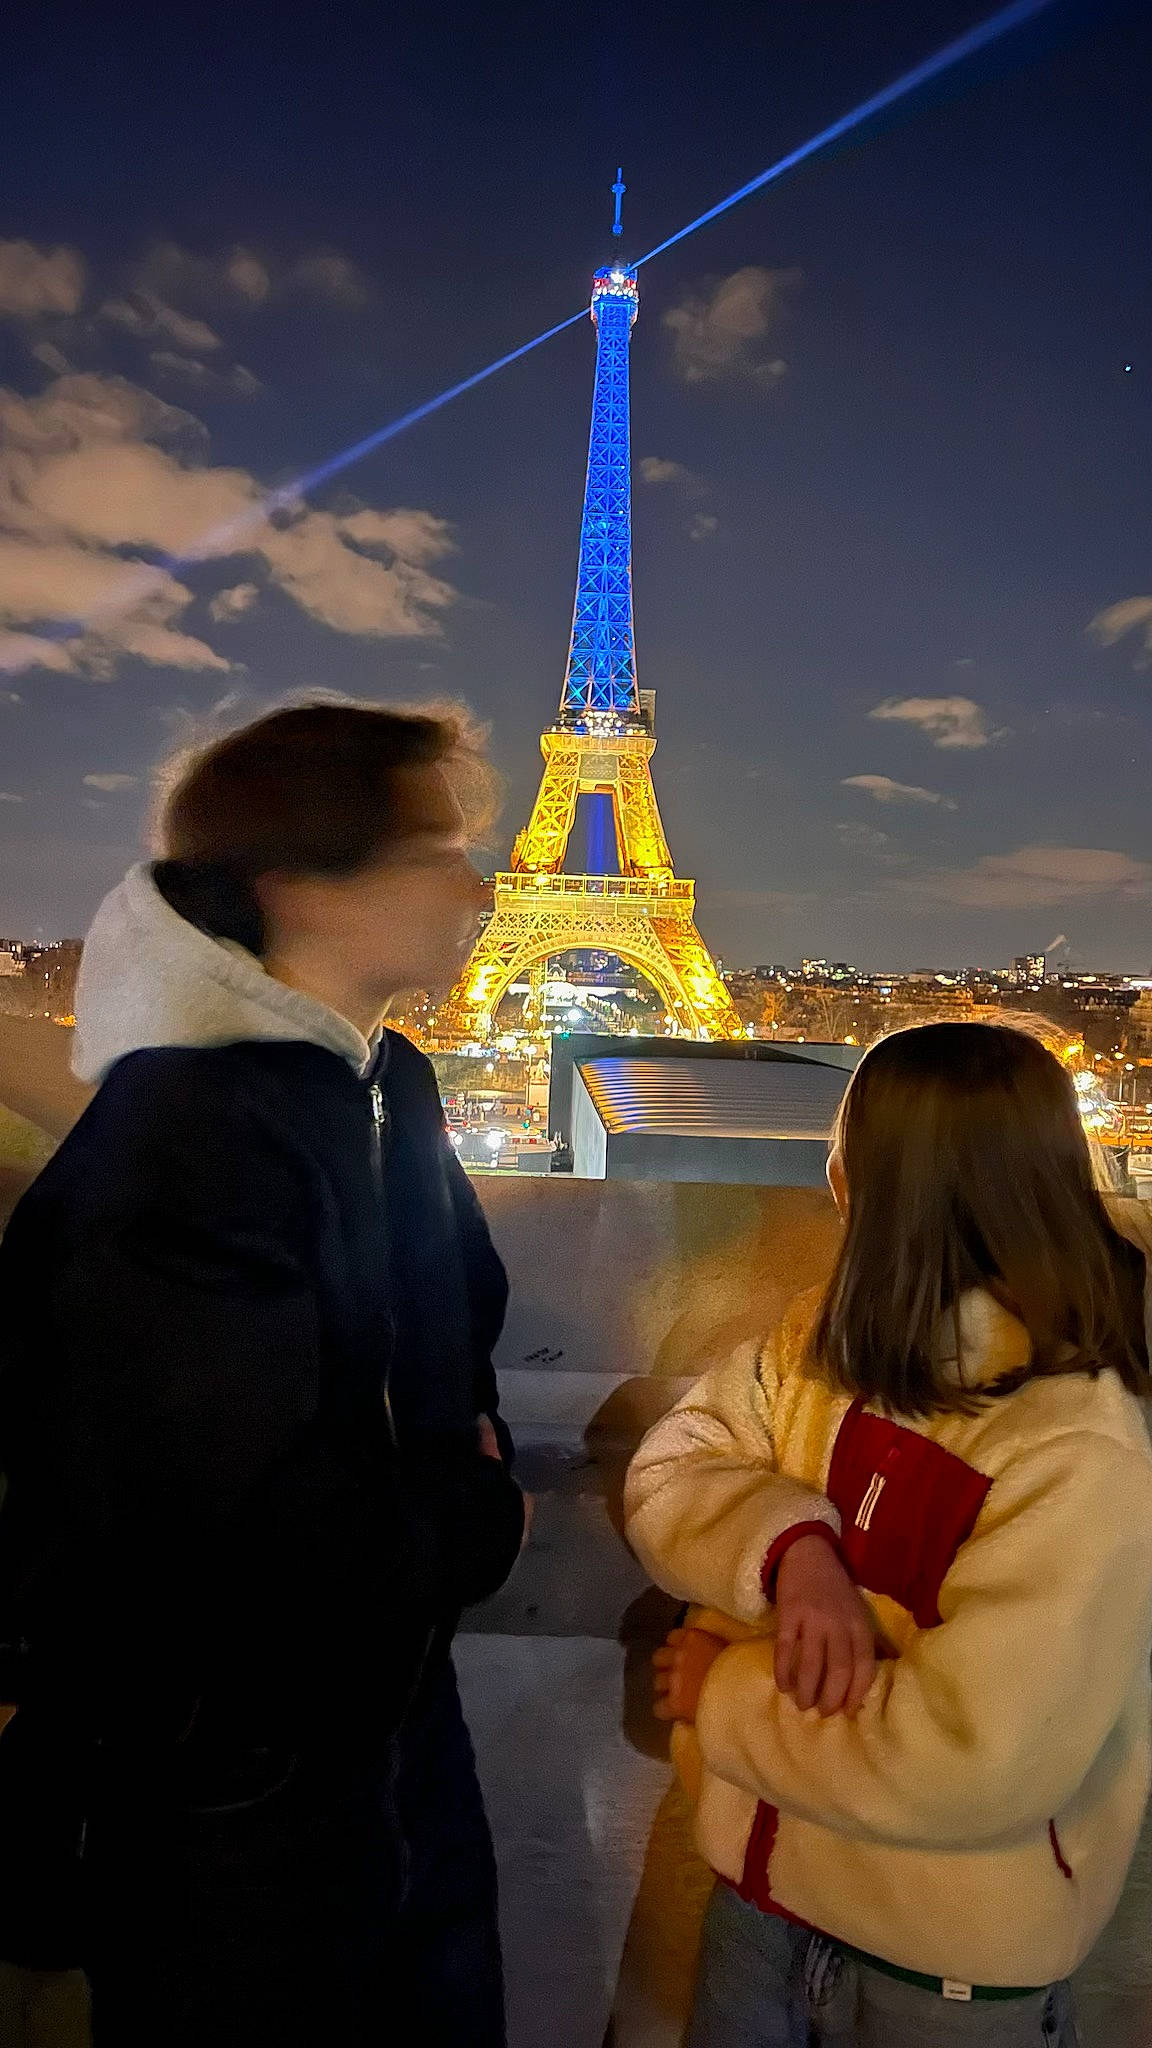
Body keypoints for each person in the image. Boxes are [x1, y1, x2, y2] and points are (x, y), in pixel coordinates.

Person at [0, 699, 529, 2046]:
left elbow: (449, 1341)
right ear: (302, 887)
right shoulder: (185, 1137)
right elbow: (245, 1524)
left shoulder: (380, 1086)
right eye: (436, 850)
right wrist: (476, 1517)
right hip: (231, 1786)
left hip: (389, 1720)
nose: (480, 885)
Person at [625, 1022, 1152, 2047]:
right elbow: (677, 1461)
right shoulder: (826, 1337)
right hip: (766, 1900)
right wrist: (794, 1549)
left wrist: (720, 1695)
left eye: (843, 1135)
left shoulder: (1081, 1446)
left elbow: (973, 1757)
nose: (828, 1164)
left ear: (872, 1179)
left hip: (942, 1964)